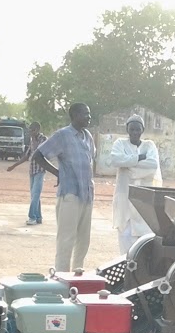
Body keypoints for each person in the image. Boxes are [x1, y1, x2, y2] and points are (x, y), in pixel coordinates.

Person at [33, 104, 96, 271]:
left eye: (89, 114)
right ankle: (62, 279)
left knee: (84, 239)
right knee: (66, 240)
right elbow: (38, 155)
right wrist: (57, 172)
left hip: (87, 194)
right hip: (70, 194)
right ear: (75, 115)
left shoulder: (88, 136)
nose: (89, 117)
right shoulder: (63, 135)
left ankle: (77, 274)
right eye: (85, 114)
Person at [108, 114, 163, 253]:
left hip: (144, 198)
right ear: (127, 129)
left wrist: (129, 166)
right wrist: (139, 158)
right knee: (125, 234)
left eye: (137, 129)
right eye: (131, 129)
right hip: (124, 196)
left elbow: (153, 165)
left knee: (144, 237)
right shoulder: (120, 143)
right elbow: (115, 160)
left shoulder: (149, 145)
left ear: (142, 130)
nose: (134, 133)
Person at [8, 122, 48, 225]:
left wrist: (34, 139)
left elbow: (38, 152)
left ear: (37, 130)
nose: (30, 132)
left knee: (35, 194)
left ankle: (32, 217)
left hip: (40, 170)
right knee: (35, 195)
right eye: (29, 130)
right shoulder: (31, 140)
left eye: (32, 130)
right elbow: (27, 156)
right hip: (32, 170)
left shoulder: (43, 139)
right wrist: (14, 166)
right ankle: (38, 217)